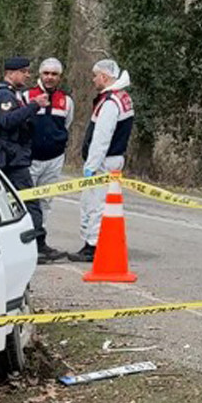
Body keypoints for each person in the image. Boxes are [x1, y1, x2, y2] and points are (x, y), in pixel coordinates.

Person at [0, 56, 49, 251]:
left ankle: (27, 244)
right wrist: (34, 105)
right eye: (24, 71)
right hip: (10, 158)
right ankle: (37, 246)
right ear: (11, 73)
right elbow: (7, 121)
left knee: (11, 203)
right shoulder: (4, 95)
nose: (27, 75)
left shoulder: (13, 94)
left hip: (11, 155)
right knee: (29, 202)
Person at [77, 58, 135, 262]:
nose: (93, 80)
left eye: (95, 76)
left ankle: (92, 245)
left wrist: (91, 166)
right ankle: (92, 242)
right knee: (96, 202)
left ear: (104, 76)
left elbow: (101, 138)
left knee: (95, 204)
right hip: (112, 158)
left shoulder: (111, 102)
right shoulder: (121, 97)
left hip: (105, 160)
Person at [25, 58, 75, 262]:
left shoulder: (66, 100)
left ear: (59, 77)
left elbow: (67, 125)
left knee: (46, 202)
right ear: (39, 74)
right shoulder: (27, 96)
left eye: (54, 74)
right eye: (46, 73)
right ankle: (26, 243)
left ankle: (40, 242)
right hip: (30, 159)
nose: (49, 77)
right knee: (27, 202)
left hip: (54, 159)